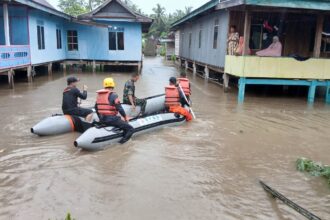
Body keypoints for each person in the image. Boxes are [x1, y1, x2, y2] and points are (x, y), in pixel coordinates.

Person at [96, 78, 134, 144]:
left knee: (118, 119)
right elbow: (119, 108)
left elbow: (96, 108)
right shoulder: (113, 95)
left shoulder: (99, 95)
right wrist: (125, 117)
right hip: (111, 119)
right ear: (112, 86)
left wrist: (101, 119)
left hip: (102, 119)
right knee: (130, 129)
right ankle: (120, 144)